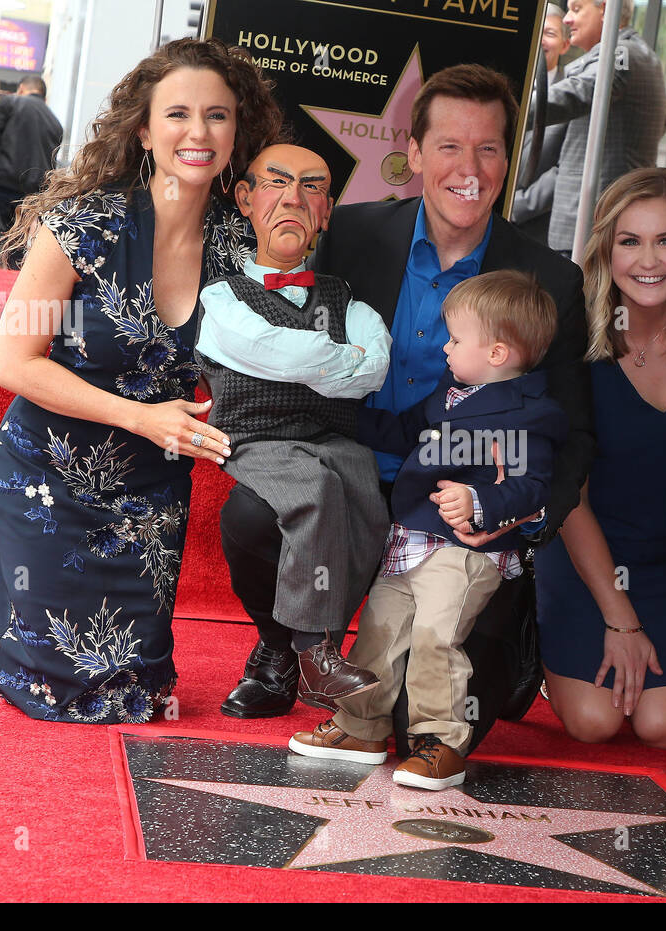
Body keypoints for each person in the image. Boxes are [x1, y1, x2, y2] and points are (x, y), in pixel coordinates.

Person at [219, 63, 593, 750]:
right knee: (252, 509)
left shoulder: (552, 281)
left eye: (487, 148)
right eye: (449, 145)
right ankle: (282, 647)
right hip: (352, 465)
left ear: (507, 160)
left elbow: (573, 432)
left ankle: (499, 646)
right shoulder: (350, 236)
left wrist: (522, 514)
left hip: (464, 510)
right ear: (414, 152)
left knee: (416, 720)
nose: (468, 167)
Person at [0, 38, 282, 723]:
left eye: (217, 116)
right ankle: (14, 610)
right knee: (64, 693)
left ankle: (16, 610)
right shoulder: (82, 225)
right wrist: (143, 416)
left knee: (137, 695)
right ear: (144, 128)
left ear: (239, 131)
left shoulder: (243, 244)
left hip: (150, 492)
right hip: (48, 472)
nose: (197, 132)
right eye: (177, 114)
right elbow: (13, 363)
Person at [289, 270, 569, 789]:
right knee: (378, 631)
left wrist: (481, 500)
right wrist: (333, 413)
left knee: (436, 638)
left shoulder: (530, 416)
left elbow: (532, 486)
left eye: (457, 339)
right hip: (409, 541)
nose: (445, 347)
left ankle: (440, 740)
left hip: (463, 552)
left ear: (498, 354)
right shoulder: (451, 393)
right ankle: (360, 727)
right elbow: (401, 431)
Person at [196, 143, 391, 715]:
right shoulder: (222, 296)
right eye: (277, 182)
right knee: (312, 492)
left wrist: (315, 363)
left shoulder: (347, 300)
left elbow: (372, 368)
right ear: (246, 199)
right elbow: (268, 348)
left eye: (312, 187)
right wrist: (331, 361)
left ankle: (293, 652)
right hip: (258, 441)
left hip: (335, 444)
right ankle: (310, 651)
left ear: (327, 211)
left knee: (365, 501)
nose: (294, 198)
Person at [534, 167, 666, 749]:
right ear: (607, 249)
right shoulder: (575, 339)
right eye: (629, 241)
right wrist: (619, 617)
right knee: (594, 723)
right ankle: (538, 653)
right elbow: (568, 491)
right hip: (585, 551)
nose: (648, 260)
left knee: (664, 728)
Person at [537, 0, 666, 255]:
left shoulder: (619, 53)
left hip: (586, 224)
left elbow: (581, 93)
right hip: (608, 218)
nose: (567, 19)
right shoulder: (646, 56)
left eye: (576, 9)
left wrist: (511, 105)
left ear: (606, 10)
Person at [511, 3, 571, 246]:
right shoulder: (502, 83)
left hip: (534, 230)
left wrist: (517, 206)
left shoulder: (573, 98)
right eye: (536, 33)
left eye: (549, 33)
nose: (540, 41)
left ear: (565, 45)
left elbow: (565, 168)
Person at [0, 74, 64, 229]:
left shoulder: (10, 102)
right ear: (44, 96)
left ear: (21, 89)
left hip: (1, 186)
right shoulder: (56, 123)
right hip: (33, 196)